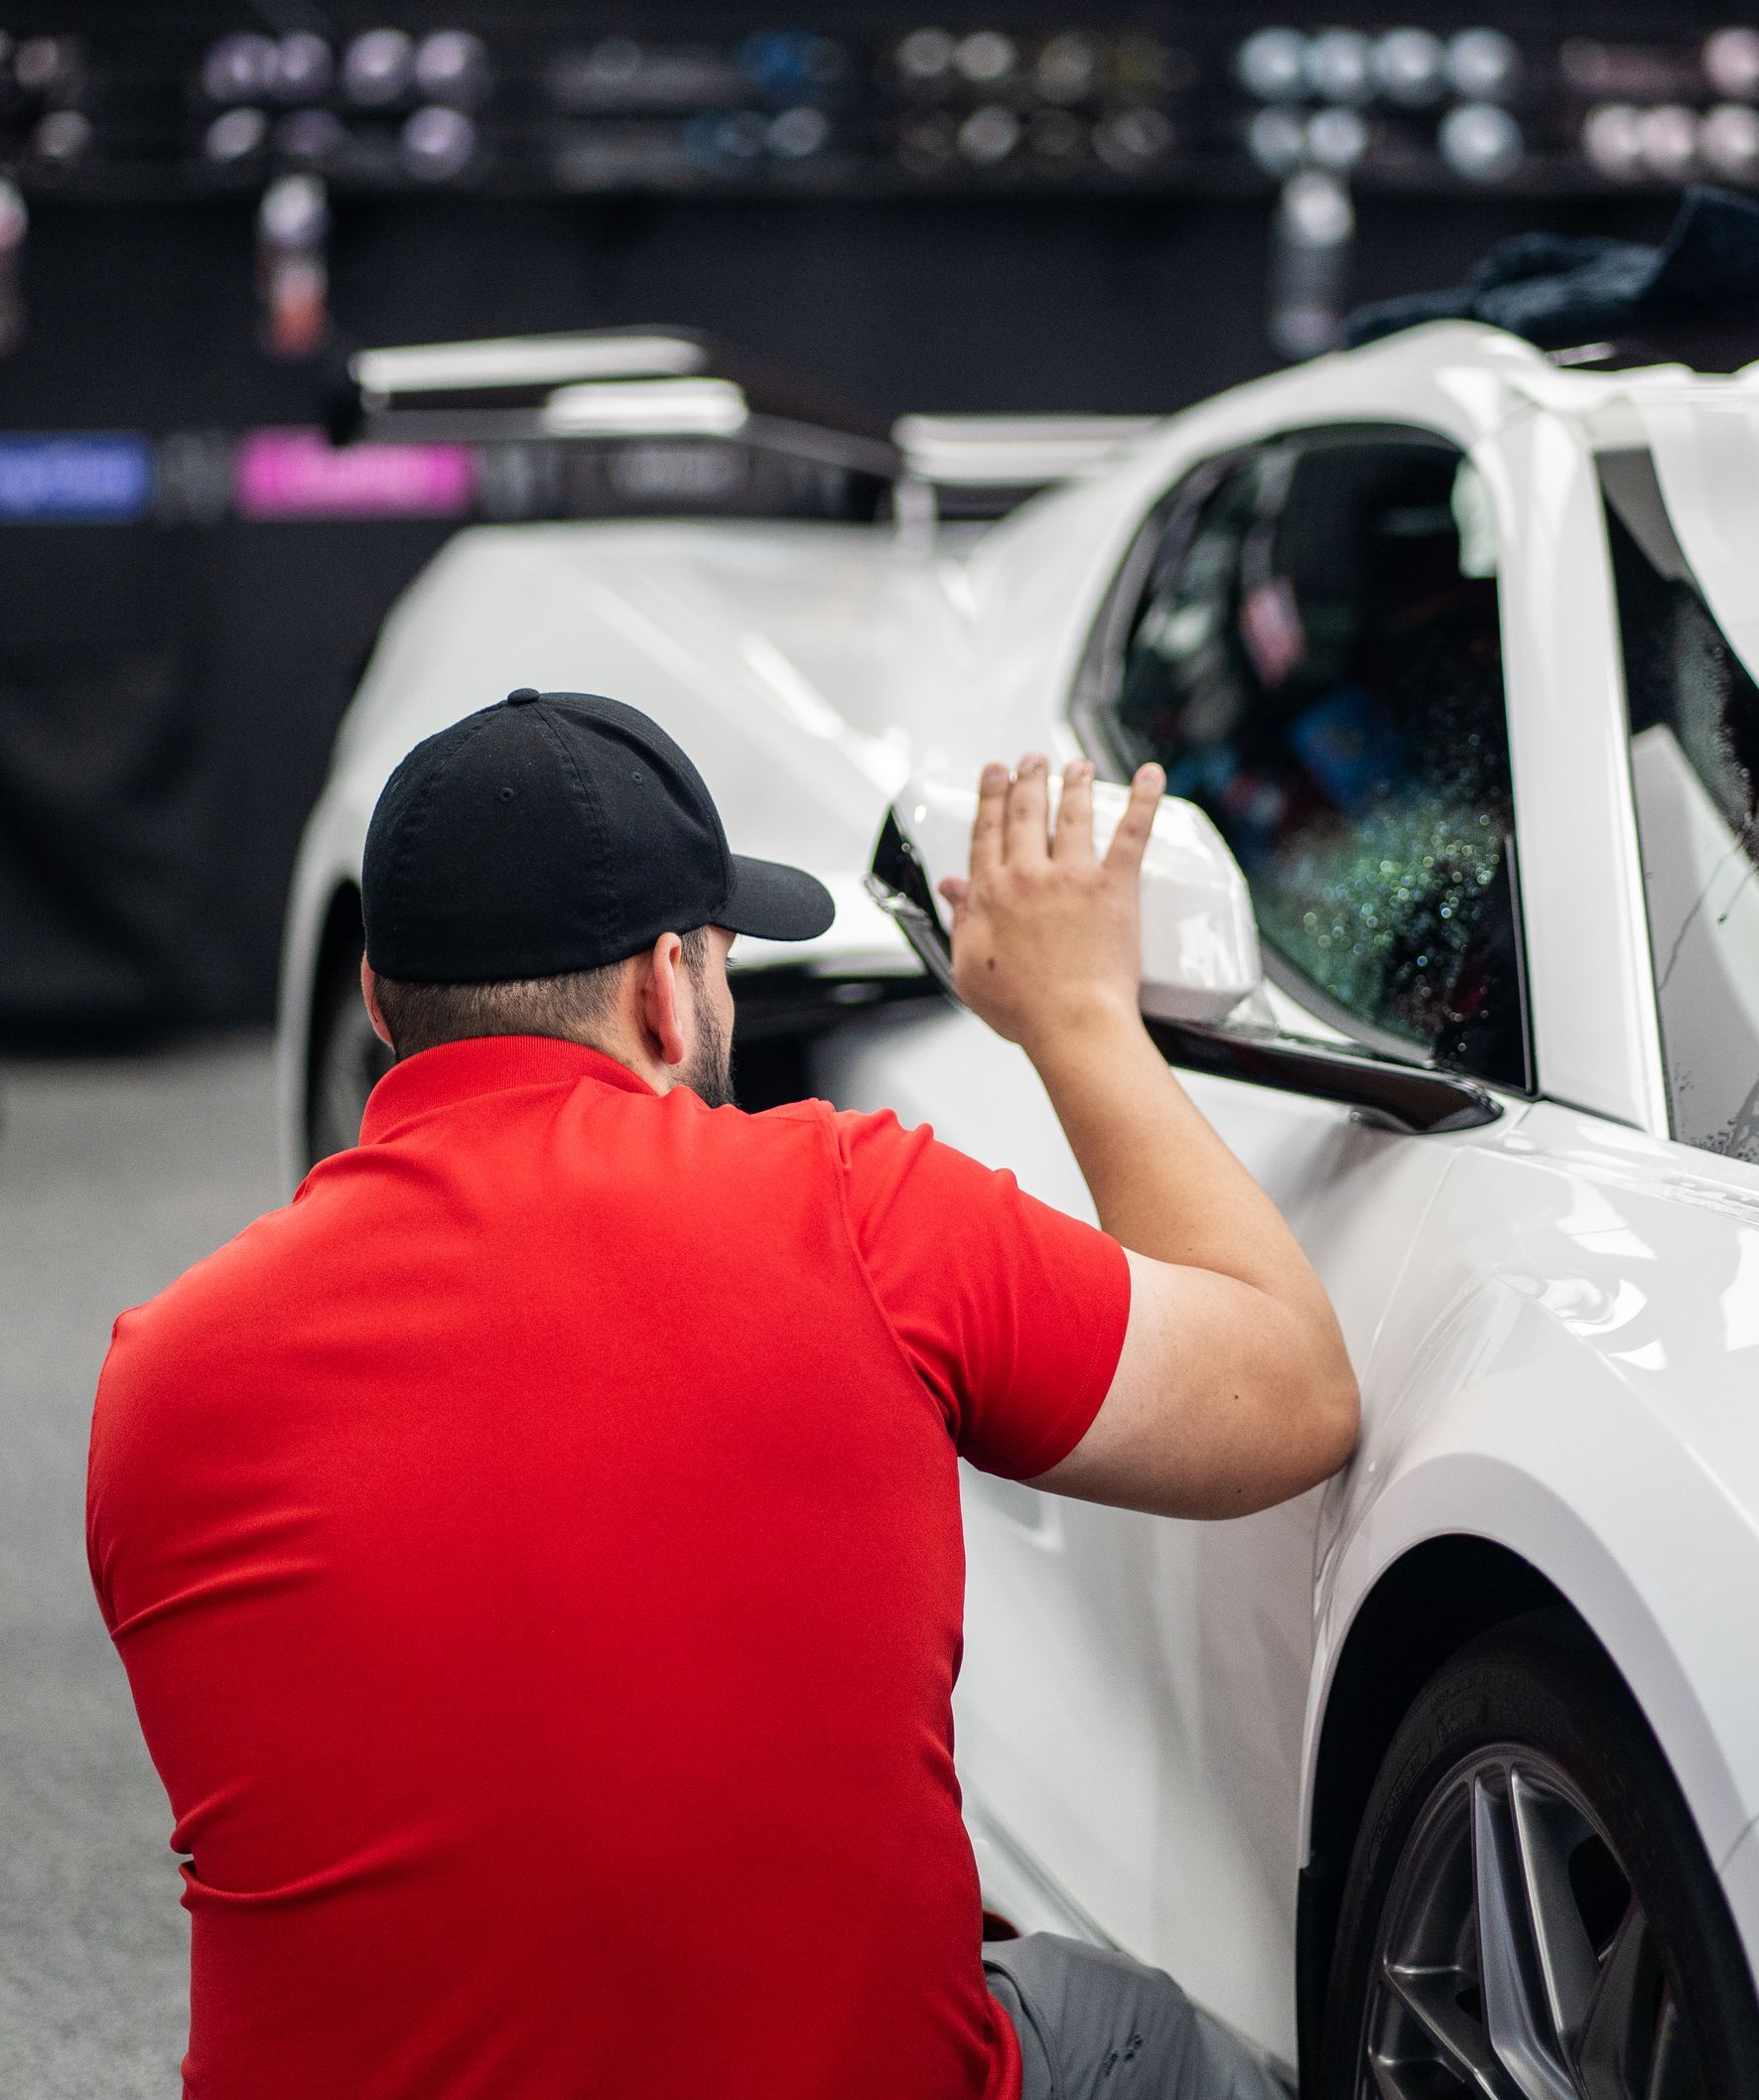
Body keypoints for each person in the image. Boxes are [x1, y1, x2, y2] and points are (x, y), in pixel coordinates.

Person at [87, 689, 1360, 2100]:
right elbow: (1290, 1394)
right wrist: (1076, 1019)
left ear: (382, 1001)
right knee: (1145, 2031)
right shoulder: (855, 1211)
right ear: (665, 982)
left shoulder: (163, 1375)